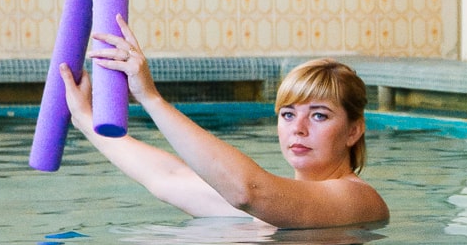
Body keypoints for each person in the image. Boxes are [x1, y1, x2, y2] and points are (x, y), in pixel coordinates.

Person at [58, 20, 388, 228]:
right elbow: (168, 178)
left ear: (354, 130)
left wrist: (150, 97)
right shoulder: (280, 202)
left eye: (319, 115)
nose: (298, 128)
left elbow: (247, 191)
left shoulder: (358, 199)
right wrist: (85, 119)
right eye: (288, 114)